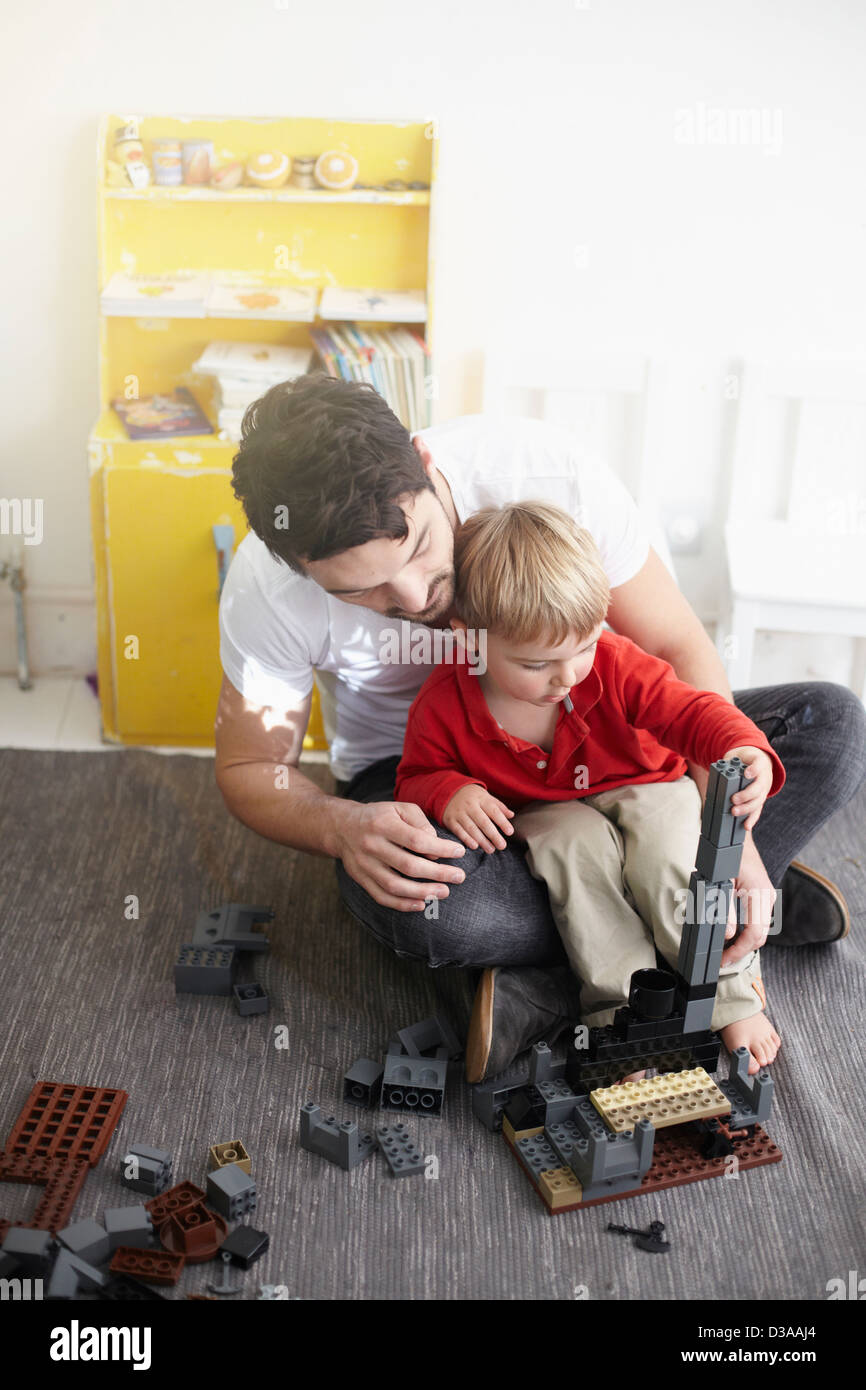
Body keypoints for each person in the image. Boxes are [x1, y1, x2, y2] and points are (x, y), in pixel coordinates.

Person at [215, 374, 865, 1080]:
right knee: (428, 907)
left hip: (616, 743)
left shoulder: (551, 477)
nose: (413, 599)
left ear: (426, 463)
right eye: (356, 590)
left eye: (420, 547)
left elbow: (679, 657)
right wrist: (343, 827)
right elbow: (254, 770)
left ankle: (586, 959)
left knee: (829, 726)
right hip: (445, 786)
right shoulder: (267, 592)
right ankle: (682, 914)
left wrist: (727, 837)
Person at [394, 501, 786, 1079]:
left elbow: (690, 711)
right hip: (549, 813)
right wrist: (450, 791)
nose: (568, 675)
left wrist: (739, 745)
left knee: (668, 855)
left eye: (582, 647)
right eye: (537, 663)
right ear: (470, 640)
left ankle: (730, 990)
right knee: (575, 860)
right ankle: (621, 1016)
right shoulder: (444, 703)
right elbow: (415, 776)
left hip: (646, 783)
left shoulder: (611, 663)